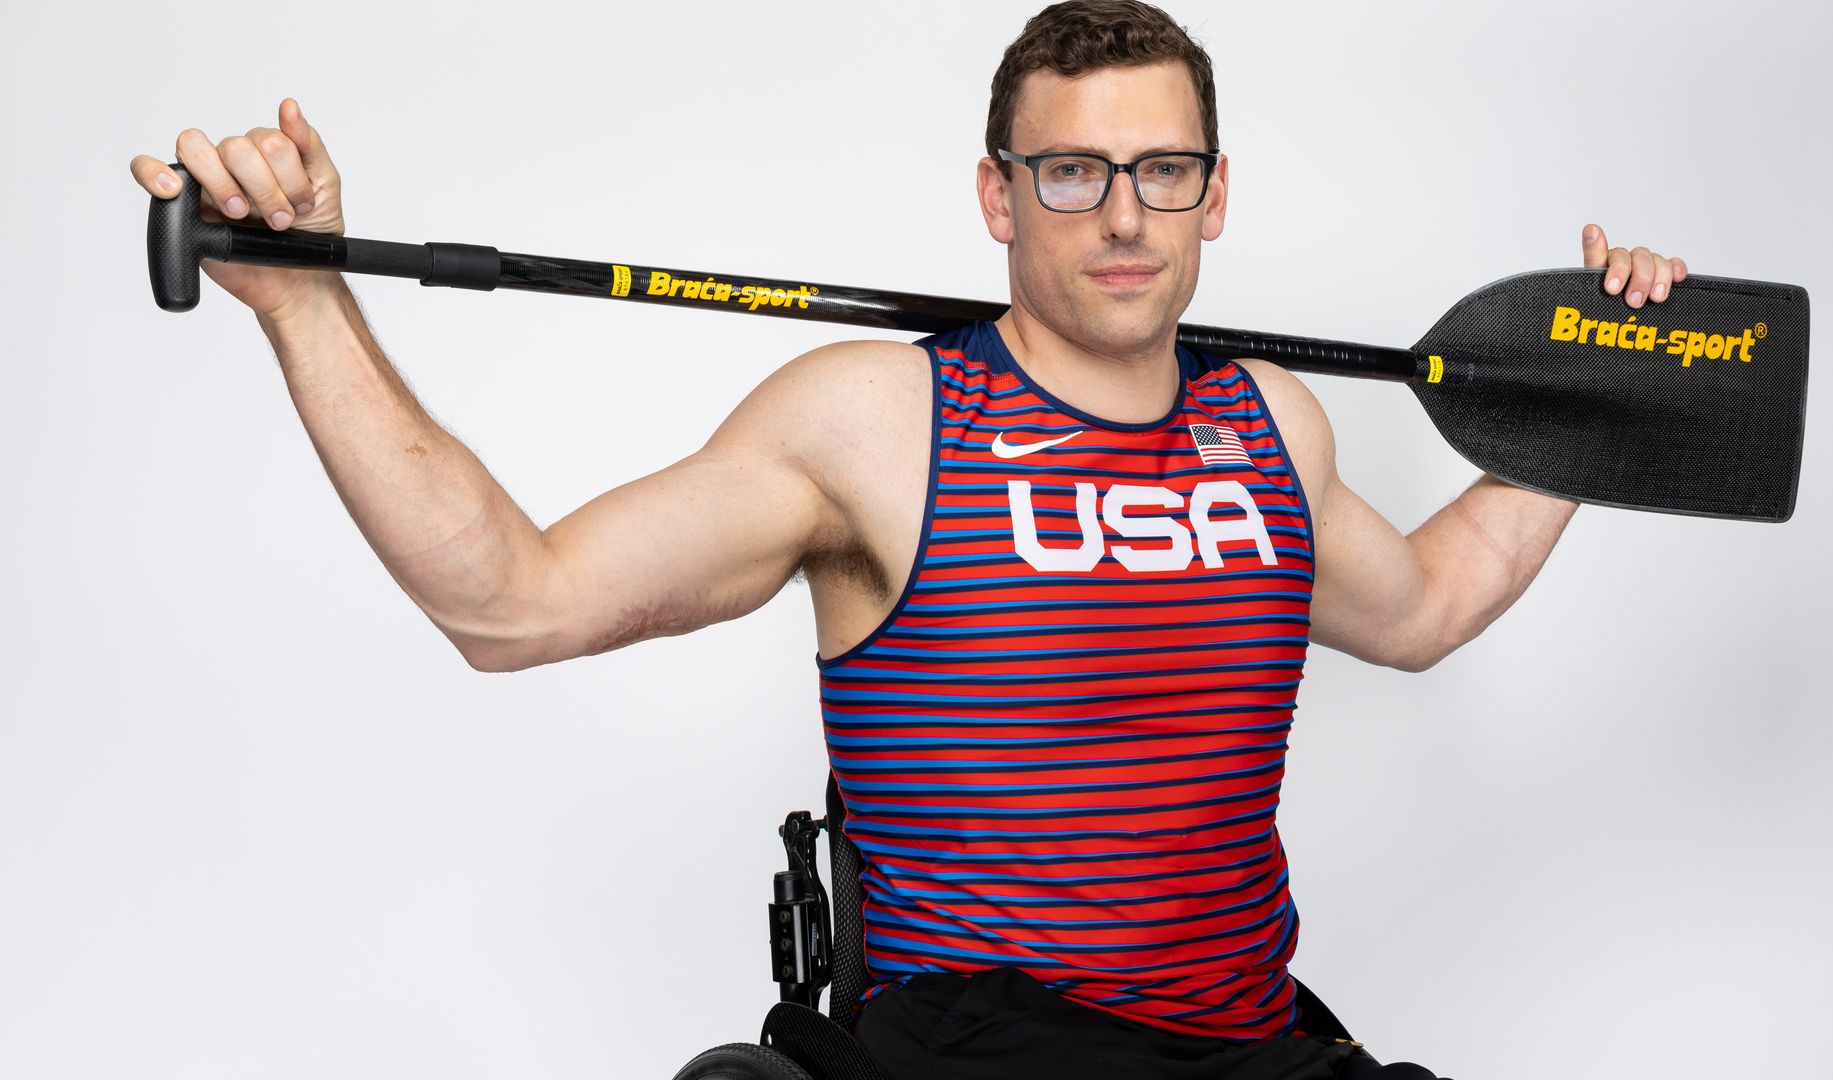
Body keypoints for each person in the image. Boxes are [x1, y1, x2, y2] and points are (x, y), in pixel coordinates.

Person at [129, 3, 1688, 1077]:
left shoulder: (1271, 422)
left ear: (1214, 198)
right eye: (1071, 172)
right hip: (975, 1055)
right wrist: (311, 306)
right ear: (999, 198)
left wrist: (1612, 401)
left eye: (1162, 171)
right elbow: (513, 604)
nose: (1122, 216)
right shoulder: (878, 424)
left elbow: (1425, 605)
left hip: (1249, 1051)